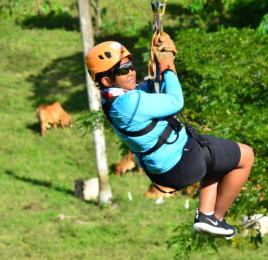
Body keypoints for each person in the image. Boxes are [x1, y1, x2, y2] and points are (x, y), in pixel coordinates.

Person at [84, 34, 254, 239]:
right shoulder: (129, 103)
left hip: (166, 170)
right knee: (246, 155)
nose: (131, 72)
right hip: (184, 162)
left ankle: (207, 215)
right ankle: (216, 217)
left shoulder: (112, 100)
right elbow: (175, 101)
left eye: (131, 66)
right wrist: (167, 63)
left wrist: (159, 62)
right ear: (106, 80)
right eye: (123, 70)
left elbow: (152, 87)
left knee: (217, 157)